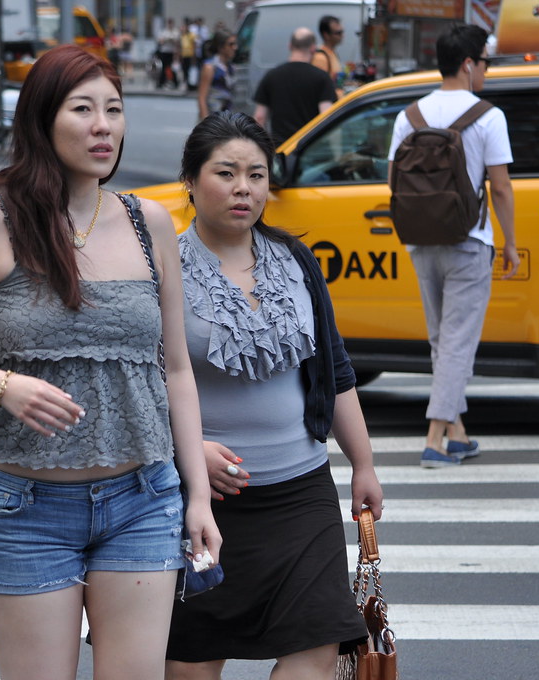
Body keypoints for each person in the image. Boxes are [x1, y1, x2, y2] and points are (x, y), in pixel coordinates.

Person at [0, 45, 221, 679]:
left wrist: (197, 498)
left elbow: (174, 368)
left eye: (114, 110)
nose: (104, 126)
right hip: (27, 509)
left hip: (144, 500)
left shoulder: (148, 221)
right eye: (83, 109)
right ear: (42, 120)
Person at [164, 111, 384, 680]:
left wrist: (363, 464)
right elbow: (136, 382)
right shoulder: (160, 266)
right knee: (190, 662)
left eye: (257, 175)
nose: (244, 188)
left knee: (315, 647)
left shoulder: (295, 261)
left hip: (300, 493)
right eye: (226, 173)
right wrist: (187, 452)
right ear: (189, 180)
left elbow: (333, 367)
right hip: (202, 501)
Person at [386, 24, 518, 468]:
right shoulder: (488, 116)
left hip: (421, 240)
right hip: (469, 240)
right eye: (484, 61)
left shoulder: (410, 116)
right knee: (459, 341)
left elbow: (393, 181)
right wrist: (512, 244)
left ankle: (457, 432)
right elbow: (500, 188)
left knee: (442, 339)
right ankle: (434, 439)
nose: (486, 70)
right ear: (467, 63)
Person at [254, 28, 338, 147]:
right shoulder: (322, 78)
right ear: (313, 48)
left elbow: (260, 117)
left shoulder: (272, 75)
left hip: (282, 150)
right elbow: (327, 117)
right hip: (309, 151)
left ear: (290, 46)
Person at [197, 31, 236, 120]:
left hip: (227, 119)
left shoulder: (231, 67)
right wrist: (205, 123)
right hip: (212, 119)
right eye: (231, 44)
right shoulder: (210, 67)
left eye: (235, 44)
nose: (235, 47)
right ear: (221, 47)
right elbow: (202, 98)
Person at [311, 14, 344, 97]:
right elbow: (319, 88)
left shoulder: (332, 53)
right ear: (326, 35)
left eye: (342, 32)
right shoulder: (320, 58)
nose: (342, 35)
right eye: (338, 33)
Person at [156, 18, 181, 89]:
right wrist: (167, 40)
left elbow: (177, 42)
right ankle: (161, 82)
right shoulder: (163, 31)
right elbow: (160, 41)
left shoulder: (175, 32)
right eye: (169, 23)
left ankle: (175, 82)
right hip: (164, 52)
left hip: (172, 52)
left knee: (172, 67)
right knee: (163, 67)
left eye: (171, 23)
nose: (170, 24)